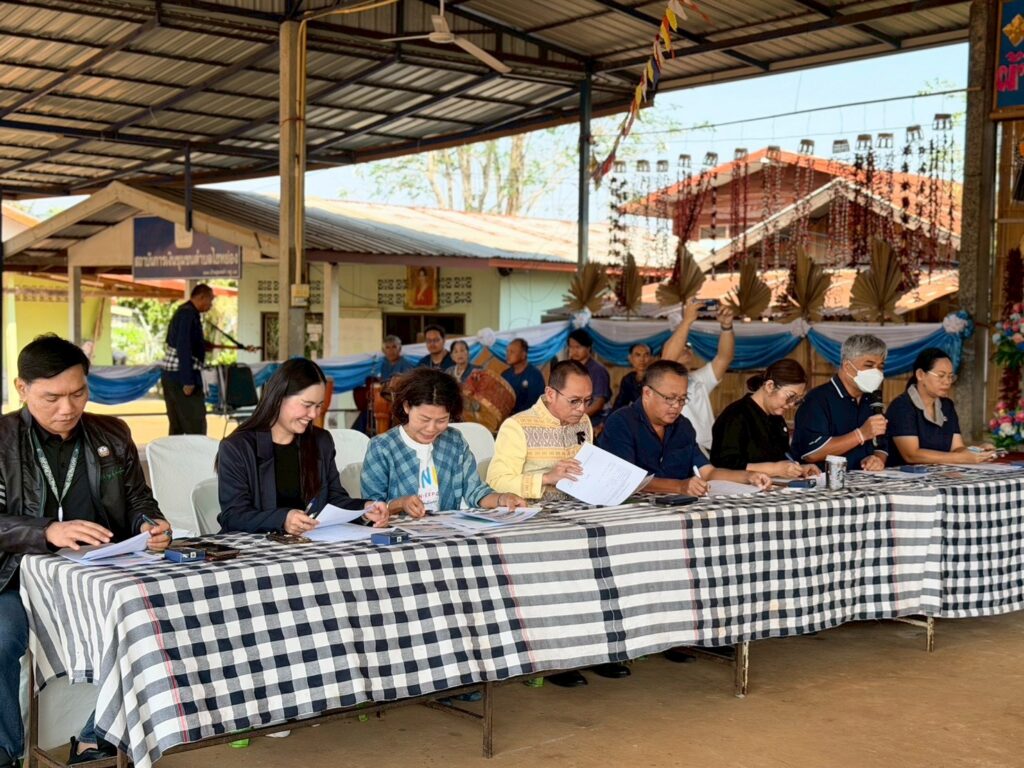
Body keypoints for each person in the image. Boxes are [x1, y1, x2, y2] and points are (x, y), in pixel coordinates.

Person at [0, 335, 171, 768]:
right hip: (13, 577)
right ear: (22, 388)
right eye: (52, 397)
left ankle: (98, 737)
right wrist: (47, 531)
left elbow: (138, 499)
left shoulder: (111, 433)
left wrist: (149, 524)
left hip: (98, 574)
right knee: (0, 638)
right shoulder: (2, 439)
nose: (68, 408)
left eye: (78, 393)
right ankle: (5, 752)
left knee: (158, 616)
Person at [216, 358, 390, 535]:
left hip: (307, 545)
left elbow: (334, 500)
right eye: (307, 405)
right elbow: (234, 516)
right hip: (254, 548)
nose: (313, 414)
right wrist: (282, 519)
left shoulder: (321, 441)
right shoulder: (237, 447)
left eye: (318, 406)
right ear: (279, 398)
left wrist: (365, 509)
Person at [361, 368, 524, 517]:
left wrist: (502, 499)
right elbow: (370, 507)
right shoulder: (382, 447)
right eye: (424, 419)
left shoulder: (454, 441)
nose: (431, 428)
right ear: (407, 407)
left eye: (441, 420)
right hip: (398, 534)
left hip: (446, 532)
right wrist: (400, 503)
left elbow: (475, 491)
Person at [599, 360, 772, 496]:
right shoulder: (621, 422)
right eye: (670, 398)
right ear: (647, 393)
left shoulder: (683, 426)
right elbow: (626, 480)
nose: (676, 406)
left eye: (682, 399)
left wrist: (748, 476)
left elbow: (708, 473)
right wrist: (679, 486)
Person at [792, 334, 889, 471]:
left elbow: (881, 444)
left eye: (880, 367)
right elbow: (811, 453)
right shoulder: (817, 400)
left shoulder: (872, 399)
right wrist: (860, 434)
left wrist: (876, 459)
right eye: (869, 365)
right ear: (847, 366)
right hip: (824, 481)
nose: (876, 372)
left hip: (864, 480)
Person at [711, 359, 820, 478]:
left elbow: (781, 460)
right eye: (790, 396)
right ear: (769, 386)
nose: (792, 404)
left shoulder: (776, 419)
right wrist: (774, 469)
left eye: (797, 400)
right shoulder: (735, 415)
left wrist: (798, 469)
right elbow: (723, 465)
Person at [885, 348, 996, 466]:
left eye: (950, 376)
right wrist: (961, 458)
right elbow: (912, 455)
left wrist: (977, 452)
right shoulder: (902, 406)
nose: (947, 382)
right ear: (920, 374)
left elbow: (956, 448)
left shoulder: (947, 406)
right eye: (941, 375)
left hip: (939, 474)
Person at [661, 298, 736, 455]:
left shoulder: (698, 379)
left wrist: (727, 327)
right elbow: (667, 360)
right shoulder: (661, 382)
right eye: (682, 345)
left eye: (689, 346)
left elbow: (724, 358)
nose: (686, 348)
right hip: (680, 453)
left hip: (708, 453)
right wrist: (687, 320)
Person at [161, 283, 214, 436]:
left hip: (172, 376)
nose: (210, 305)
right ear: (201, 297)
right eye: (210, 300)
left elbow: (185, 342)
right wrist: (188, 380)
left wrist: (203, 345)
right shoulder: (187, 314)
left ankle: (176, 452)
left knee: (177, 426)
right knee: (195, 424)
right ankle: (194, 452)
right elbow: (183, 346)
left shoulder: (185, 312)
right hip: (180, 376)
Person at [566, 329, 612, 428]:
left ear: (588, 348)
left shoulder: (598, 371)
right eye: (571, 347)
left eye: (578, 347)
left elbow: (598, 404)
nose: (574, 351)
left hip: (596, 422)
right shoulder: (568, 369)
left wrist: (574, 418)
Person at [501, 338, 546, 415]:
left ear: (523, 354)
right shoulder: (505, 375)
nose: (508, 354)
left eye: (512, 352)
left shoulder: (534, 376)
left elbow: (535, 405)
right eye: (507, 351)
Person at [611, 343, 652, 411]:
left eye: (646, 355)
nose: (642, 359)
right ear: (630, 358)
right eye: (638, 355)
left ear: (651, 358)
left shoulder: (657, 378)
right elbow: (620, 404)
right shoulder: (628, 379)